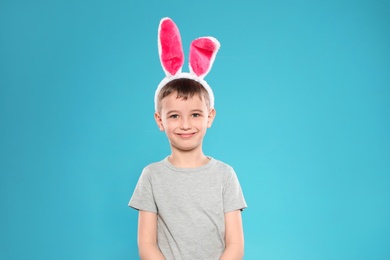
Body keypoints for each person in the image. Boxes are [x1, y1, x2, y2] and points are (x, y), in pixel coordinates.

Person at [129, 17, 247, 260]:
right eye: (174, 115)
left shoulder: (225, 175)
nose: (185, 125)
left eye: (195, 114)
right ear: (159, 120)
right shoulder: (151, 176)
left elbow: (234, 245)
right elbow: (147, 245)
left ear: (209, 117)